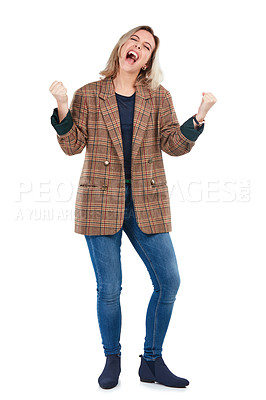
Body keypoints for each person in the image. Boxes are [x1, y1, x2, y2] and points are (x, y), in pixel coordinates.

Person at [49, 25, 217, 390]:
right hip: (99, 201)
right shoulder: (89, 95)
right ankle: (112, 358)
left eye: (146, 47)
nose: (138, 48)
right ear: (122, 46)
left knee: (169, 281)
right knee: (109, 288)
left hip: (147, 201)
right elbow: (72, 146)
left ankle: (152, 362)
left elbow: (174, 145)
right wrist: (63, 107)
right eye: (134, 41)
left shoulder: (158, 96)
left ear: (147, 61)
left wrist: (200, 115)